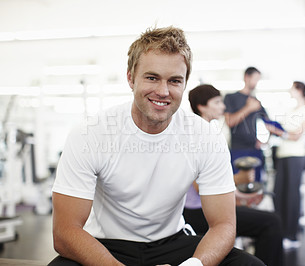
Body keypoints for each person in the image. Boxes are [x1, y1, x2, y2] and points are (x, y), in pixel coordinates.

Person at [49, 26, 264, 266]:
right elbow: (65, 232)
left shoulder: (206, 137)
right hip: (106, 245)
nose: (163, 91)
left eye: (174, 81)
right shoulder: (90, 133)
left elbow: (224, 225)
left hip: (172, 242)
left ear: (185, 84)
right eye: (152, 77)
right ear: (130, 78)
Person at [184, 84, 284, 266]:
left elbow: (214, 187)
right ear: (202, 107)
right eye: (217, 102)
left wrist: (241, 196)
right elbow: (201, 187)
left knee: (271, 219)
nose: (223, 106)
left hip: (209, 208)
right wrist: (240, 179)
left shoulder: (210, 134)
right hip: (197, 213)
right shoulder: (196, 136)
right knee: (270, 223)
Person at [268, 81, 305, 249]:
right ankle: (280, 233)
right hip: (282, 155)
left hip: (296, 156)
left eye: (292, 88)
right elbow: (285, 131)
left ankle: (292, 235)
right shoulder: (290, 111)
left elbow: (296, 136)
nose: (289, 90)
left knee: (291, 196)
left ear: (300, 90)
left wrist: (279, 132)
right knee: (279, 194)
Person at [223, 67, 269, 183]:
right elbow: (230, 122)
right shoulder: (231, 98)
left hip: (255, 150)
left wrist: (265, 140)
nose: (256, 83)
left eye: (258, 79)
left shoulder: (256, 101)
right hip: (237, 149)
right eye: (255, 79)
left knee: (255, 185)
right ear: (246, 77)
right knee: (237, 185)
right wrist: (248, 108)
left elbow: (269, 124)